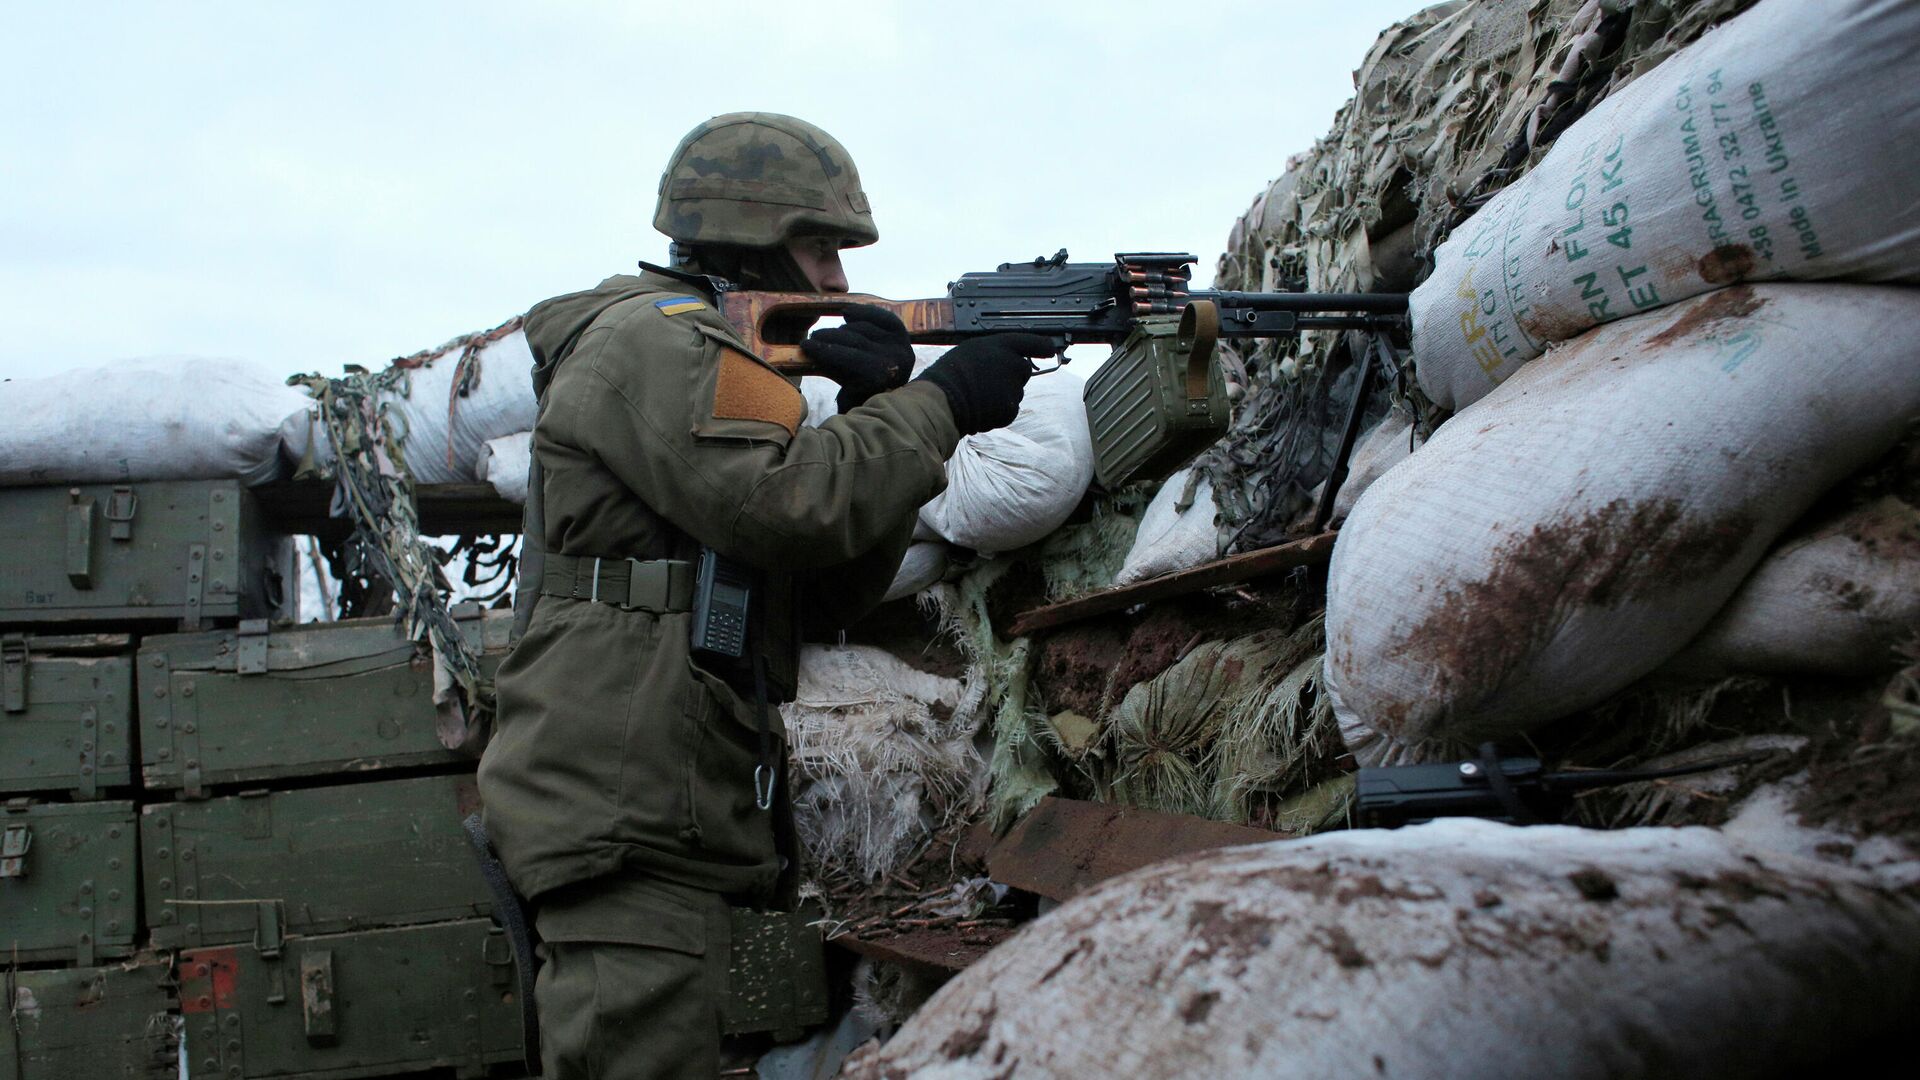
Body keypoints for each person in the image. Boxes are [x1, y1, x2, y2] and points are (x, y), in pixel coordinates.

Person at [476, 111, 1052, 1079]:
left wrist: (875, 413)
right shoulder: (656, 343)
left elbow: (817, 590)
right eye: (817, 246)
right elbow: (784, 508)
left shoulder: (700, 351)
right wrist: (939, 403)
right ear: (744, 232)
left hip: (674, 807)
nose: (835, 280)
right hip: (630, 817)